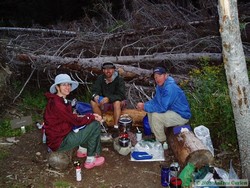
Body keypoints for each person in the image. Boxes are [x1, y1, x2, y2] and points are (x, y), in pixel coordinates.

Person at [43, 73, 105, 169]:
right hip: (60, 142)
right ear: (57, 87)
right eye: (64, 85)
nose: (67, 87)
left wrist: (88, 116)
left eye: (69, 84)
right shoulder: (57, 104)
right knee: (95, 124)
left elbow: (71, 118)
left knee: (88, 122)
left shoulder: (59, 100)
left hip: (59, 137)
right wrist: (92, 116)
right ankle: (91, 159)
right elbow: (75, 120)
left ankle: (82, 151)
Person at [136, 67, 191, 143]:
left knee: (156, 116)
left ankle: (162, 142)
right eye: (155, 77)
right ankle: (155, 135)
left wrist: (144, 106)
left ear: (166, 75)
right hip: (172, 111)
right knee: (150, 111)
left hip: (181, 115)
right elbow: (155, 101)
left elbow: (162, 108)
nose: (157, 79)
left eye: (159, 76)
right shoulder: (160, 86)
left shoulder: (170, 87)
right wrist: (145, 105)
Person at [90, 62, 126, 128]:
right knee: (93, 102)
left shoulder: (119, 80)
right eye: (106, 69)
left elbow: (121, 95)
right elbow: (94, 91)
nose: (108, 71)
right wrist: (95, 96)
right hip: (105, 102)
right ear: (103, 70)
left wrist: (109, 98)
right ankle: (102, 124)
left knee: (117, 102)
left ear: (113, 70)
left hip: (117, 101)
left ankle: (116, 126)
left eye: (110, 69)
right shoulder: (100, 78)